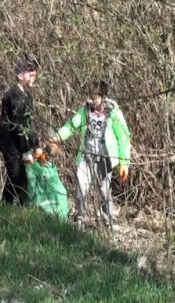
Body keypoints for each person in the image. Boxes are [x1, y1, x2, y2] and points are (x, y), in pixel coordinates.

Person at [48, 80, 131, 229]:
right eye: (89, 97)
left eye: (94, 98)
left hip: (105, 159)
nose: (91, 101)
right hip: (86, 157)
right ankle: (79, 221)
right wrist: (56, 137)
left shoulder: (113, 113)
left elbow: (123, 138)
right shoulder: (85, 111)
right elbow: (71, 126)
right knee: (80, 188)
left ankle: (108, 222)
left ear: (102, 96)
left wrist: (124, 162)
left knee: (105, 191)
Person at [0, 57, 42, 206]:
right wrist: (26, 150)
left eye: (35, 74)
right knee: (16, 173)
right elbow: (17, 125)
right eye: (30, 74)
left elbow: (30, 122)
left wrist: (36, 145)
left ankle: (6, 206)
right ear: (20, 76)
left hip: (18, 141)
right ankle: (15, 206)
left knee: (17, 174)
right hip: (9, 141)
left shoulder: (27, 96)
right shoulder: (14, 95)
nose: (33, 76)